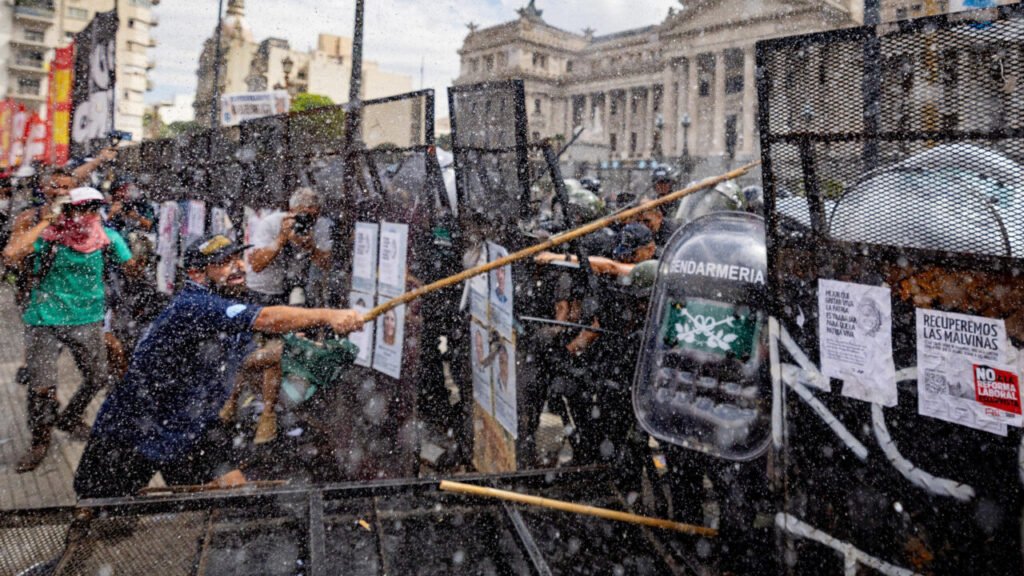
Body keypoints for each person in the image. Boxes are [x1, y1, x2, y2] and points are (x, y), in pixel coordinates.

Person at [74, 234, 364, 498]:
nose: (237, 267)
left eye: (237, 258)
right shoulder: (193, 306)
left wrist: (291, 353)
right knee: (101, 511)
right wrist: (328, 316)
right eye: (223, 263)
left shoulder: (227, 304)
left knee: (232, 495)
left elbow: (246, 360)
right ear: (196, 274)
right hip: (135, 427)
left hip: (193, 426)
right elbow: (266, 319)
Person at [3, 187, 132, 472]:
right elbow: (11, 254)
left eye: (93, 209)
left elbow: (132, 265)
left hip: (87, 318)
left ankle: (70, 417)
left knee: (98, 376)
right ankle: (40, 441)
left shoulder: (106, 237)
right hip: (44, 318)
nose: (88, 215)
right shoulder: (49, 237)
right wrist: (46, 221)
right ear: (68, 210)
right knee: (42, 386)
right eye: (81, 208)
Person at [246, 187, 332, 306]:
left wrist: (311, 248)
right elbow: (256, 265)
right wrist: (281, 238)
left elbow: (326, 264)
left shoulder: (320, 226)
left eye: (313, 217)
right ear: (291, 211)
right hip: (263, 289)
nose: (307, 221)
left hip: (296, 289)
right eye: (303, 215)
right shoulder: (271, 223)